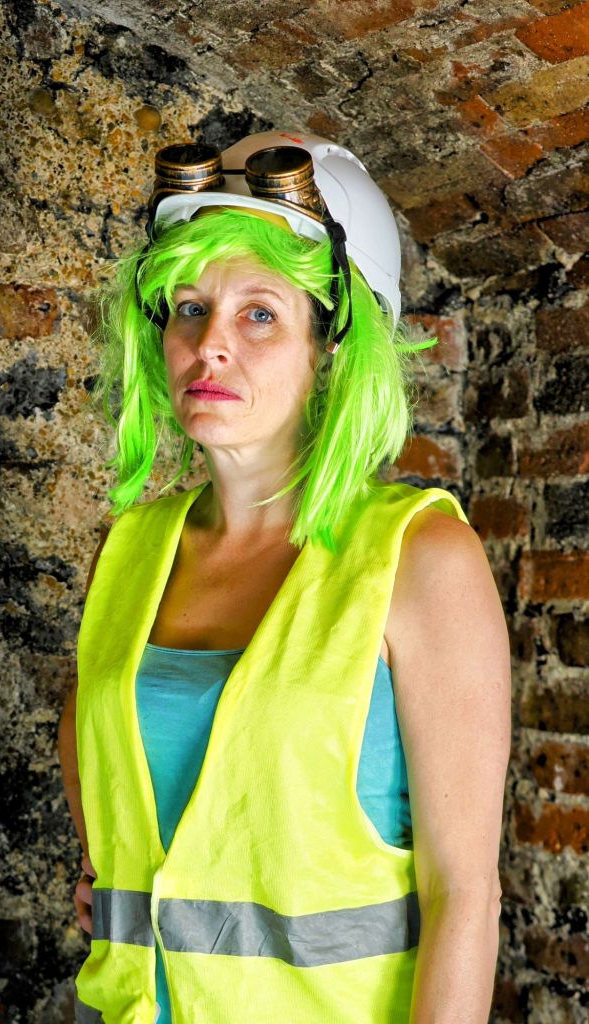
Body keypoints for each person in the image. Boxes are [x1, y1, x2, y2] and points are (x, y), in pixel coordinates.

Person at [58, 130, 511, 1024]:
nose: (209, 346)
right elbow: (95, 740)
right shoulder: (129, 549)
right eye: (190, 308)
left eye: (259, 314)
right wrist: (109, 863)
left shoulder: (419, 559)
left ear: (333, 346)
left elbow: (466, 897)